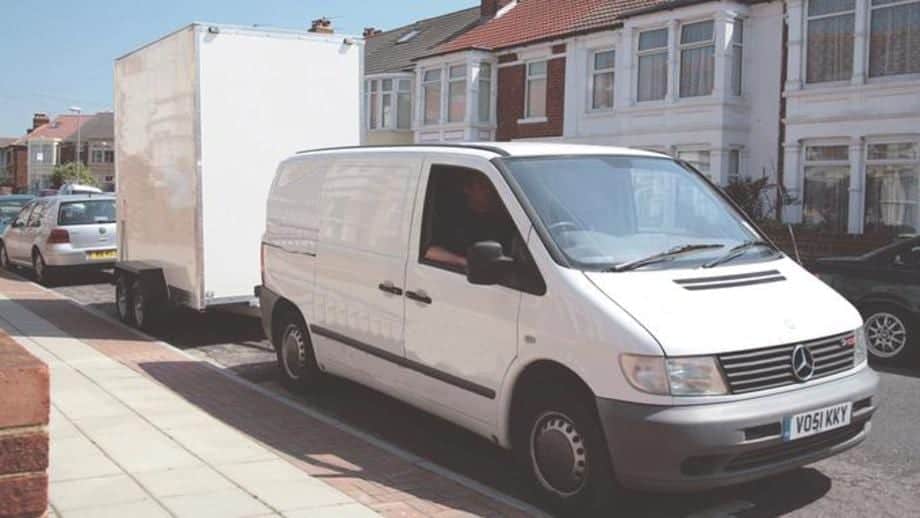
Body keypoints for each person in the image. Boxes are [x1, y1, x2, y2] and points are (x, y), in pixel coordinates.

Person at [424, 173, 514, 270]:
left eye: (491, 186)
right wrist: (463, 261)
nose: (489, 191)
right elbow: (429, 251)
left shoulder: (508, 219)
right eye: (483, 186)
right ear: (467, 189)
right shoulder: (452, 218)